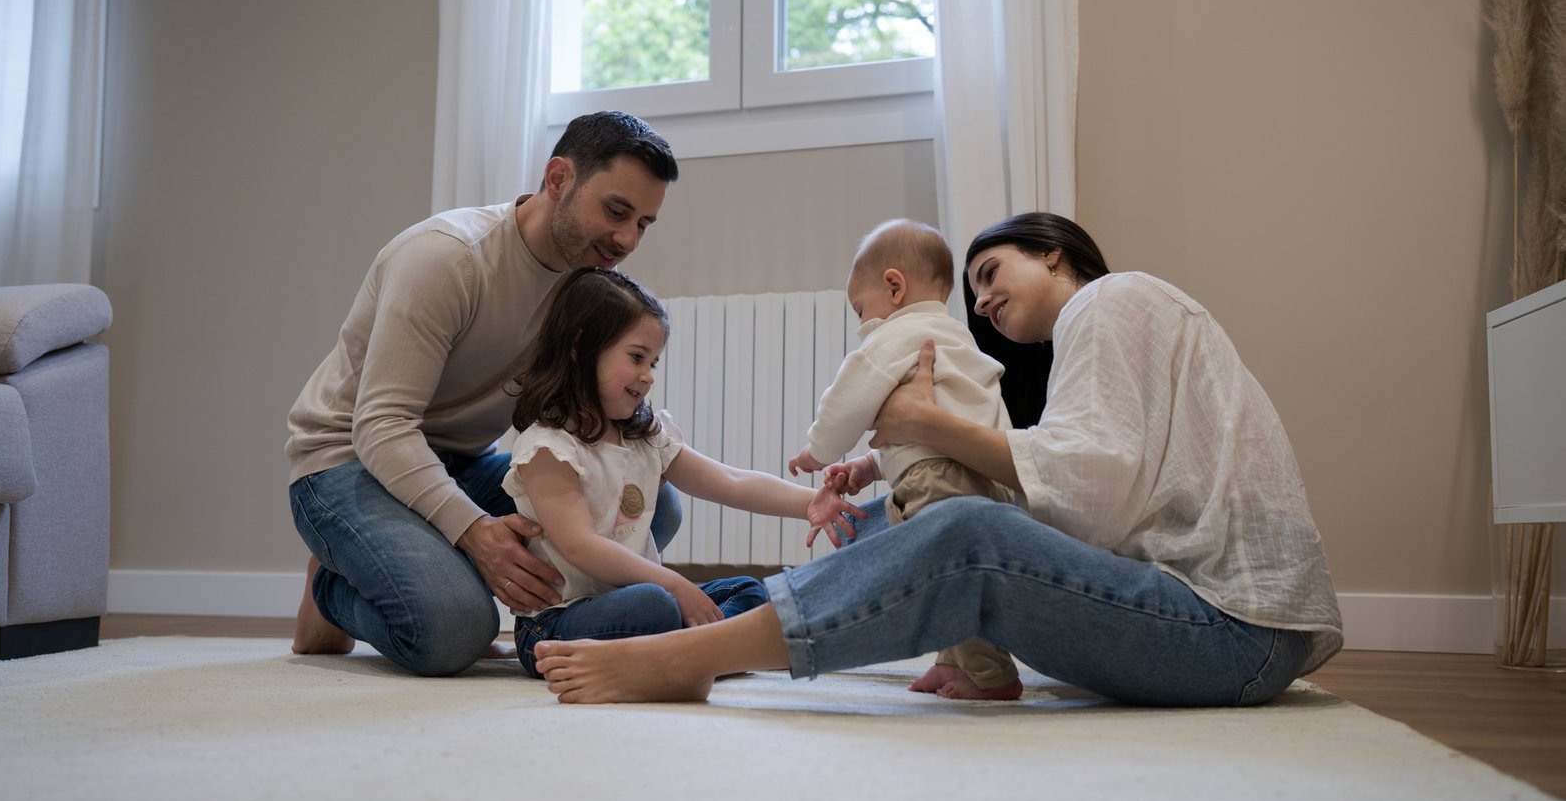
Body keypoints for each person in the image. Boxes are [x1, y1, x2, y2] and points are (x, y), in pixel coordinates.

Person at [531, 212, 1344, 707]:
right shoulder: (1079, 352)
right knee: (930, 523)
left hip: (1231, 632)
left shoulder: (1112, 298)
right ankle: (948, 661)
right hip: (1208, 632)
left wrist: (913, 427)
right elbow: (1072, 497)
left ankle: (689, 657)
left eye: (992, 273)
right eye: (972, 289)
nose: (980, 300)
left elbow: (1087, 498)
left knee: (961, 530)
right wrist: (896, 469)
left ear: (1054, 253)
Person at [285, 111, 681, 677]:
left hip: (462, 463)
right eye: (616, 211)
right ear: (558, 179)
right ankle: (334, 582)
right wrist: (475, 533)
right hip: (346, 461)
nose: (626, 239)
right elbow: (381, 427)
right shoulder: (446, 259)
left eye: (644, 223)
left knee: (650, 504)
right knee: (453, 633)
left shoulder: (586, 285)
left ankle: (423, 568)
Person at [503, 267, 863, 678]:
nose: (648, 375)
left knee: (751, 593)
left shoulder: (644, 434)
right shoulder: (548, 447)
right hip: (555, 624)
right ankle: (699, 649)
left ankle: (683, 650)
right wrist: (676, 585)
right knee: (655, 605)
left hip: (634, 598)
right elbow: (581, 547)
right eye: (637, 357)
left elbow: (730, 481)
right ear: (580, 347)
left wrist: (810, 503)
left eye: (653, 362)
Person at [785, 219, 1020, 700]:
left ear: (894, 286)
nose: (861, 322)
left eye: (860, 308)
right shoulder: (955, 338)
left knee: (947, 580)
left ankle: (991, 675)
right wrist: (869, 467)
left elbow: (849, 398)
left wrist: (819, 449)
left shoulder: (896, 334)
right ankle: (950, 662)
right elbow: (931, 428)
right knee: (947, 576)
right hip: (986, 476)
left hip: (936, 481)